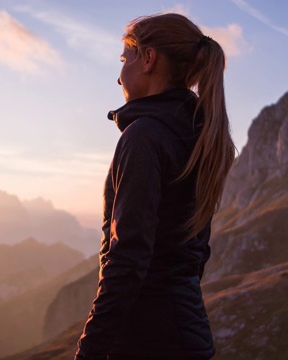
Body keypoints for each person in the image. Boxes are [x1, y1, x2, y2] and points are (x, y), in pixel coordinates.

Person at [75, 13, 236, 360]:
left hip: (147, 342)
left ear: (148, 59)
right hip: (188, 336)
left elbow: (128, 260)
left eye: (124, 58)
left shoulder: (144, 137)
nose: (118, 76)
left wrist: (88, 353)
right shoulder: (198, 136)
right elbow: (195, 254)